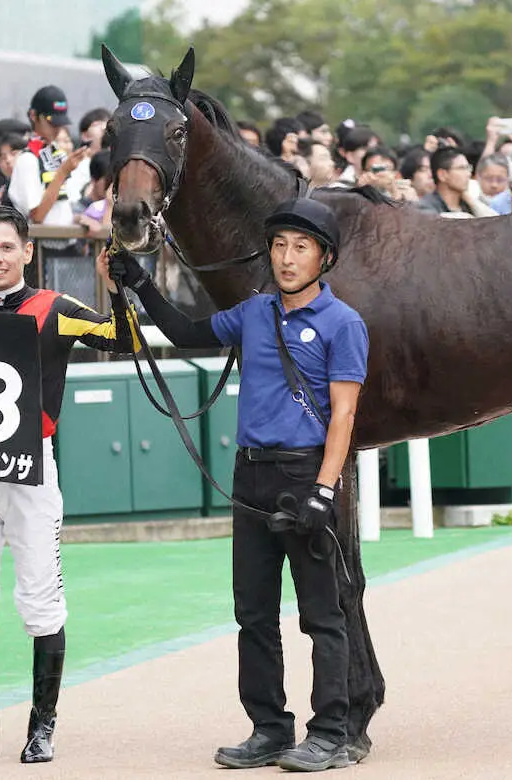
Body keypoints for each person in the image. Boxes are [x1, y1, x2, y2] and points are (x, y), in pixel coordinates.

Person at [101, 197, 368, 773]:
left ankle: (331, 732)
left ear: (324, 257)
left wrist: (326, 490)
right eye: (279, 245)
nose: (287, 257)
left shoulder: (344, 324)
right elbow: (185, 331)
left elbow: (344, 418)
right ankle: (270, 728)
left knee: (321, 613)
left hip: (305, 476)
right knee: (254, 612)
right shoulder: (253, 312)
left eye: (300, 247)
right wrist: (141, 282)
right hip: (249, 474)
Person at [0, 204, 138, 765]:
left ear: (27, 252)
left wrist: (117, 289)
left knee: (41, 597)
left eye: (6, 248)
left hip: (31, 470)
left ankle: (43, 727)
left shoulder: (56, 308)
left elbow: (124, 340)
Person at [8, 85, 91, 289]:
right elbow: (37, 215)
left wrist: (82, 218)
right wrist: (63, 172)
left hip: (68, 248)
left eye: (60, 123)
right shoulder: (27, 159)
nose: (56, 128)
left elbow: (66, 207)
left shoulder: (57, 154)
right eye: (50, 121)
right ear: (33, 116)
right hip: (41, 252)